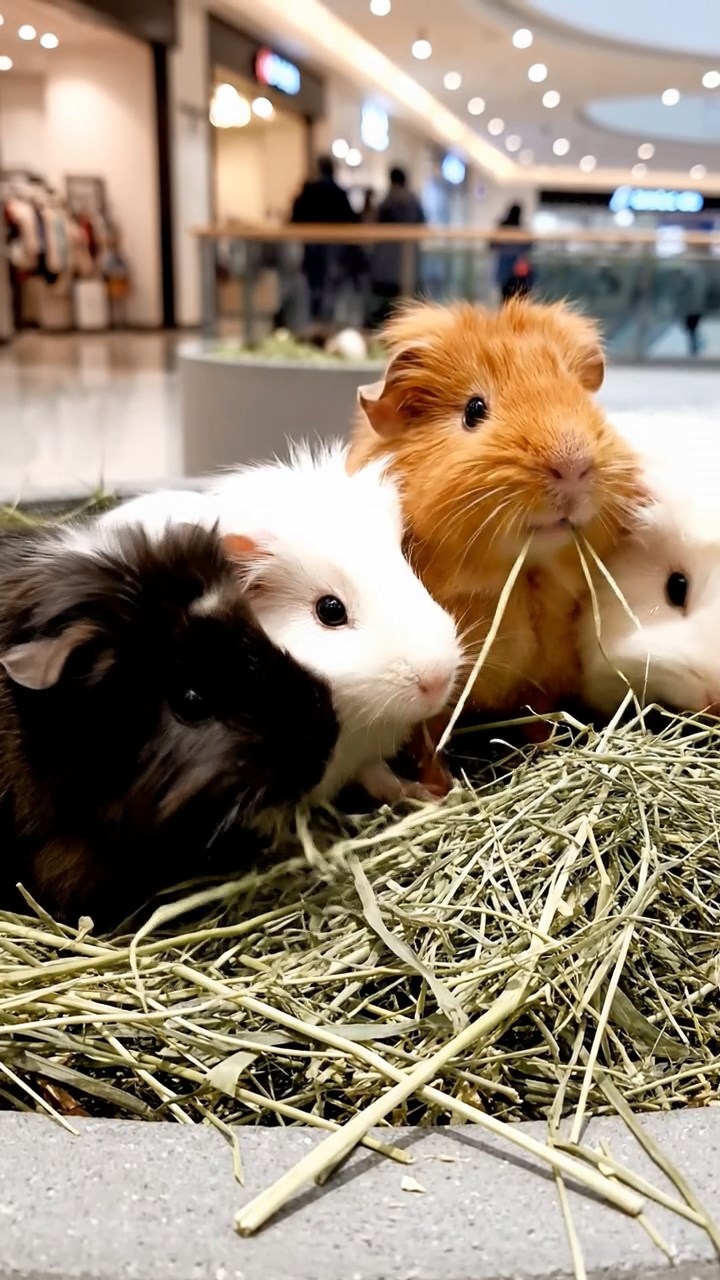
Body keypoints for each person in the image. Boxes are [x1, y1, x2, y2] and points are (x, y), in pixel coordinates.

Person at [290, 156, 357, 321]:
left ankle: (315, 321)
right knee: (330, 289)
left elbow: (295, 217)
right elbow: (352, 220)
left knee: (314, 286)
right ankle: (325, 322)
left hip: (312, 246)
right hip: (334, 248)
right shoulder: (339, 193)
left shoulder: (308, 191)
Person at [371, 166, 425, 324]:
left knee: (387, 299)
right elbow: (421, 222)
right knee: (404, 297)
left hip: (387, 259)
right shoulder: (413, 200)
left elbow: (377, 223)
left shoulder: (388, 200)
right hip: (408, 259)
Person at [493, 203, 535, 304]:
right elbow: (528, 246)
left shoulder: (504, 229)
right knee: (519, 301)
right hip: (513, 271)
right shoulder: (518, 230)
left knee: (507, 301)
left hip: (512, 271)